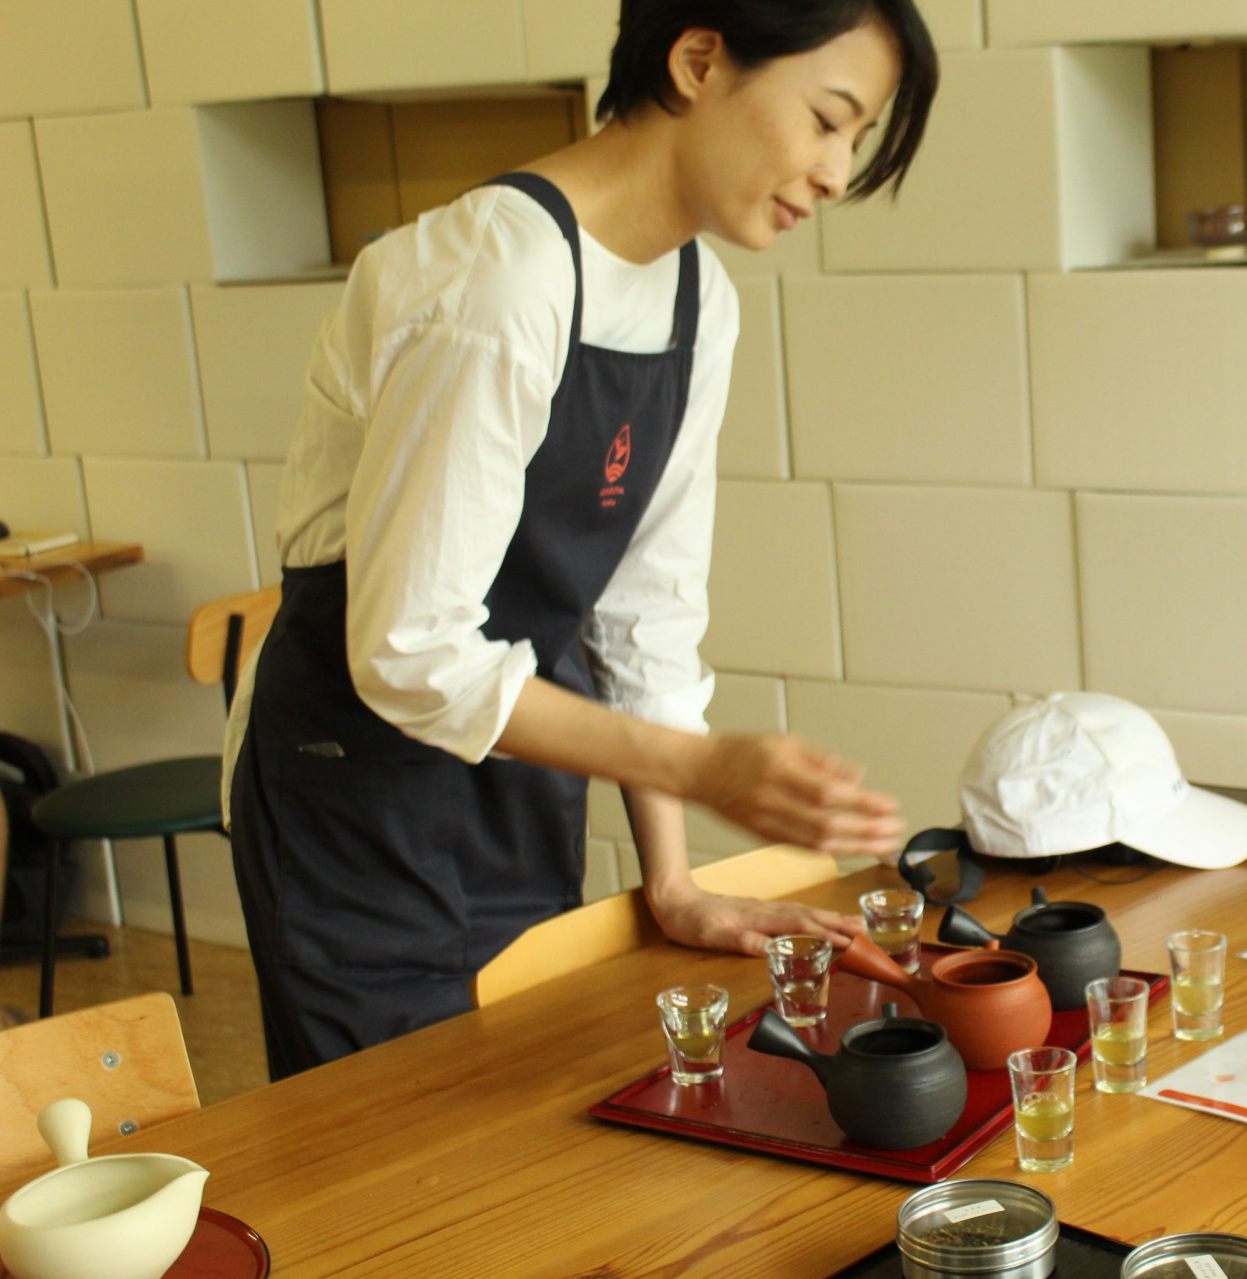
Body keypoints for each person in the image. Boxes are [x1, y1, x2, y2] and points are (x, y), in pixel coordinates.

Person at [225, 0, 940, 1078]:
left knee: (519, 1112)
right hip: (351, 789)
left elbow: (641, 621)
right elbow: (408, 649)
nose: (838, 173)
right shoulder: (493, 276)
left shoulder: (703, 300)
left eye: (858, 138)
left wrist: (677, 880)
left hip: (516, 776)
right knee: (389, 1160)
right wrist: (701, 767)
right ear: (699, 59)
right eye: (828, 120)